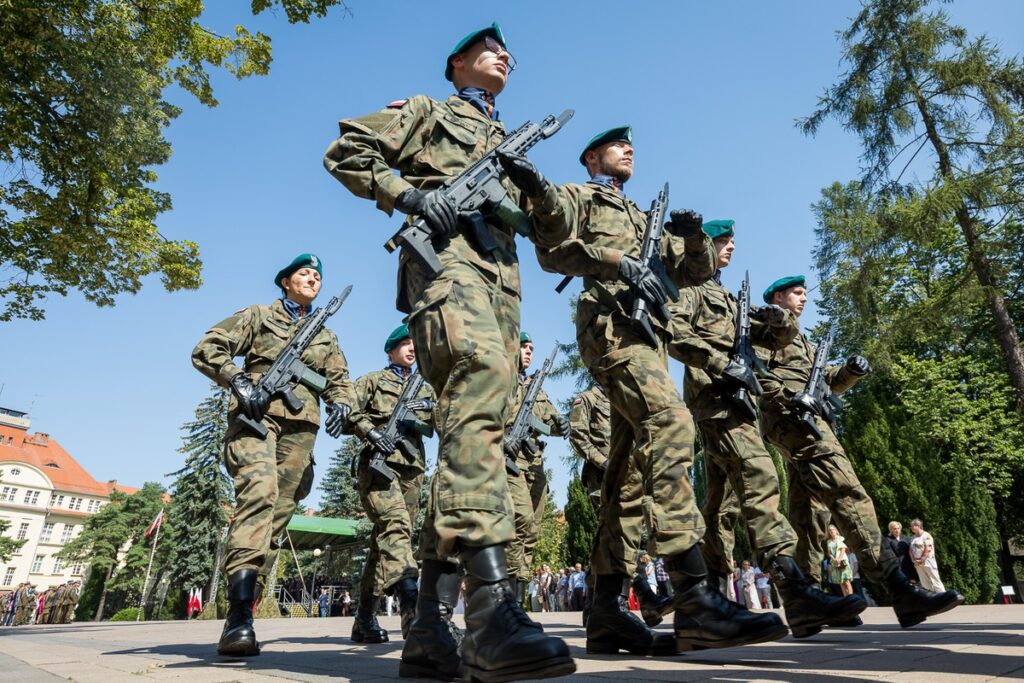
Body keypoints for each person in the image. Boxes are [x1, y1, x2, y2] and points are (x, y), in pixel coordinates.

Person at [324, 21, 574, 682]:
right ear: (458, 61)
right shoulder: (429, 113)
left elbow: (540, 227)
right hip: (447, 274)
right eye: (489, 47)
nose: (504, 55)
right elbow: (346, 150)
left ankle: (430, 627)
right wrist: (410, 196)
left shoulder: (508, 140)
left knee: (477, 427)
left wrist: (538, 194)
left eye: (509, 51)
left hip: (501, 288)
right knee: (480, 381)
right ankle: (490, 611)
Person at [526, 125, 785, 655]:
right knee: (671, 422)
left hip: (651, 341)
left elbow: (694, 271)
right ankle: (694, 600)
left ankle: (606, 610)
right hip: (614, 331)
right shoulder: (581, 197)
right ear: (592, 158)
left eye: (631, 145)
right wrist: (614, 260)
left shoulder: (644, 216)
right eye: (616, 145)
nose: (629, 149)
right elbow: (551, 249)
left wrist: (692, 237)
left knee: (623, 480)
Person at [667, 218, 864, 638]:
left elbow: (770, 342)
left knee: (720, 509)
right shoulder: (691, 289)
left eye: (732, 242)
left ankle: (701, 606)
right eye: (722, 241)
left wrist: (779, 322)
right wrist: (721, 364)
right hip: (715, 400)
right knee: (760, 475)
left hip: (739, 405)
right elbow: (674, 332)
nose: (731, 248)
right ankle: (794, 590)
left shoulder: (725, 295)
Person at [757, 275, 964, 629]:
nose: (804, 298)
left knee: (810, 512)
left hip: (804, 420)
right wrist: (789, 400)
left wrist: (849, 373)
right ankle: (899, 588)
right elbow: (756, 372)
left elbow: (824, 382)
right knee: (847, 493)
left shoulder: (802, 339)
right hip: (797, 421)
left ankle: (806, 604)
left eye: (805, 293)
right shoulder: (766, 328)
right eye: (797, 293)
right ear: (778, 297)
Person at [192, 253, 355, 656]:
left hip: (302, 432)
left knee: (278, 517)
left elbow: (340, 380)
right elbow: (208, 348)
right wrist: (238, 381)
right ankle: (239, 617)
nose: (313, 279)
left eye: (318, 276)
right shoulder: (259, 315)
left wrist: (343, 404)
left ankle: (245, 605)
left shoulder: (325, 335)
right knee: (258, 495)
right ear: (284, 281)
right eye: (304, 273)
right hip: (256, 419)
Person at [347, 324, 437, 644]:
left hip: (411, 472)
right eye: (405, 343)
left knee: (386, 542)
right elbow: (345, 408)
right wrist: (370, 432)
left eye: (416, 343)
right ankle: (412, 612)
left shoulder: (424, 387)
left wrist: (430, 409)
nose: (412, 348)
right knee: (395, 526)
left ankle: (365, 617)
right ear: (391, 349)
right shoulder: (373, 381)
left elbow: (440, 420)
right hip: (379, 469)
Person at [506, 332, 567, 601]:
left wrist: (562, 424)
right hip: (510, 461)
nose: (529, 351)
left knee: (532, 531)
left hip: (535, 465)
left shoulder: (537, 389)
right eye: (524, 347)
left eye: (532, 348)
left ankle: (518, 600)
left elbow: (550, 422)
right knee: (520, 521)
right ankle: (507, 597)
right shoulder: (501, 384)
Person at [568, 384, 610, 511]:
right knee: (608, 523)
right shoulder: (586, 399)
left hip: (629, 473)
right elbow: (577, 436)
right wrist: (604, 462)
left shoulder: (623, 400)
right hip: (601, 476)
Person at [910, 519, 946, 592]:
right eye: (911, 526)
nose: (911, 528)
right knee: (925, 583)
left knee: (935, 580)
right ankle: (931, 599)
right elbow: (910, 550)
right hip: (918, 563)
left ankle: (944, 598)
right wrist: (914, 560)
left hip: (928, 562)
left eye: (913, 526)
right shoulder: (913, 537)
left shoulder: (926, 535)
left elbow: (928, 549)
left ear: (919, 526)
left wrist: (922, 559)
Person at [826, 525, 854, 596]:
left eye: (833, 529)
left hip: (843, 561)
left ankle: (851, 597)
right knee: (840, 582)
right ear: (828, 532)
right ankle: (846, 598)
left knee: (846, 581)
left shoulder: (840, 538)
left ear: (836, 530)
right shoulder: (829, 541)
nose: (832, 531)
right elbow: (829, 553)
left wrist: (839, 559)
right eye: (830, 530)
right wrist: (834, 559)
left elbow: (843, 549)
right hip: (835, 562)